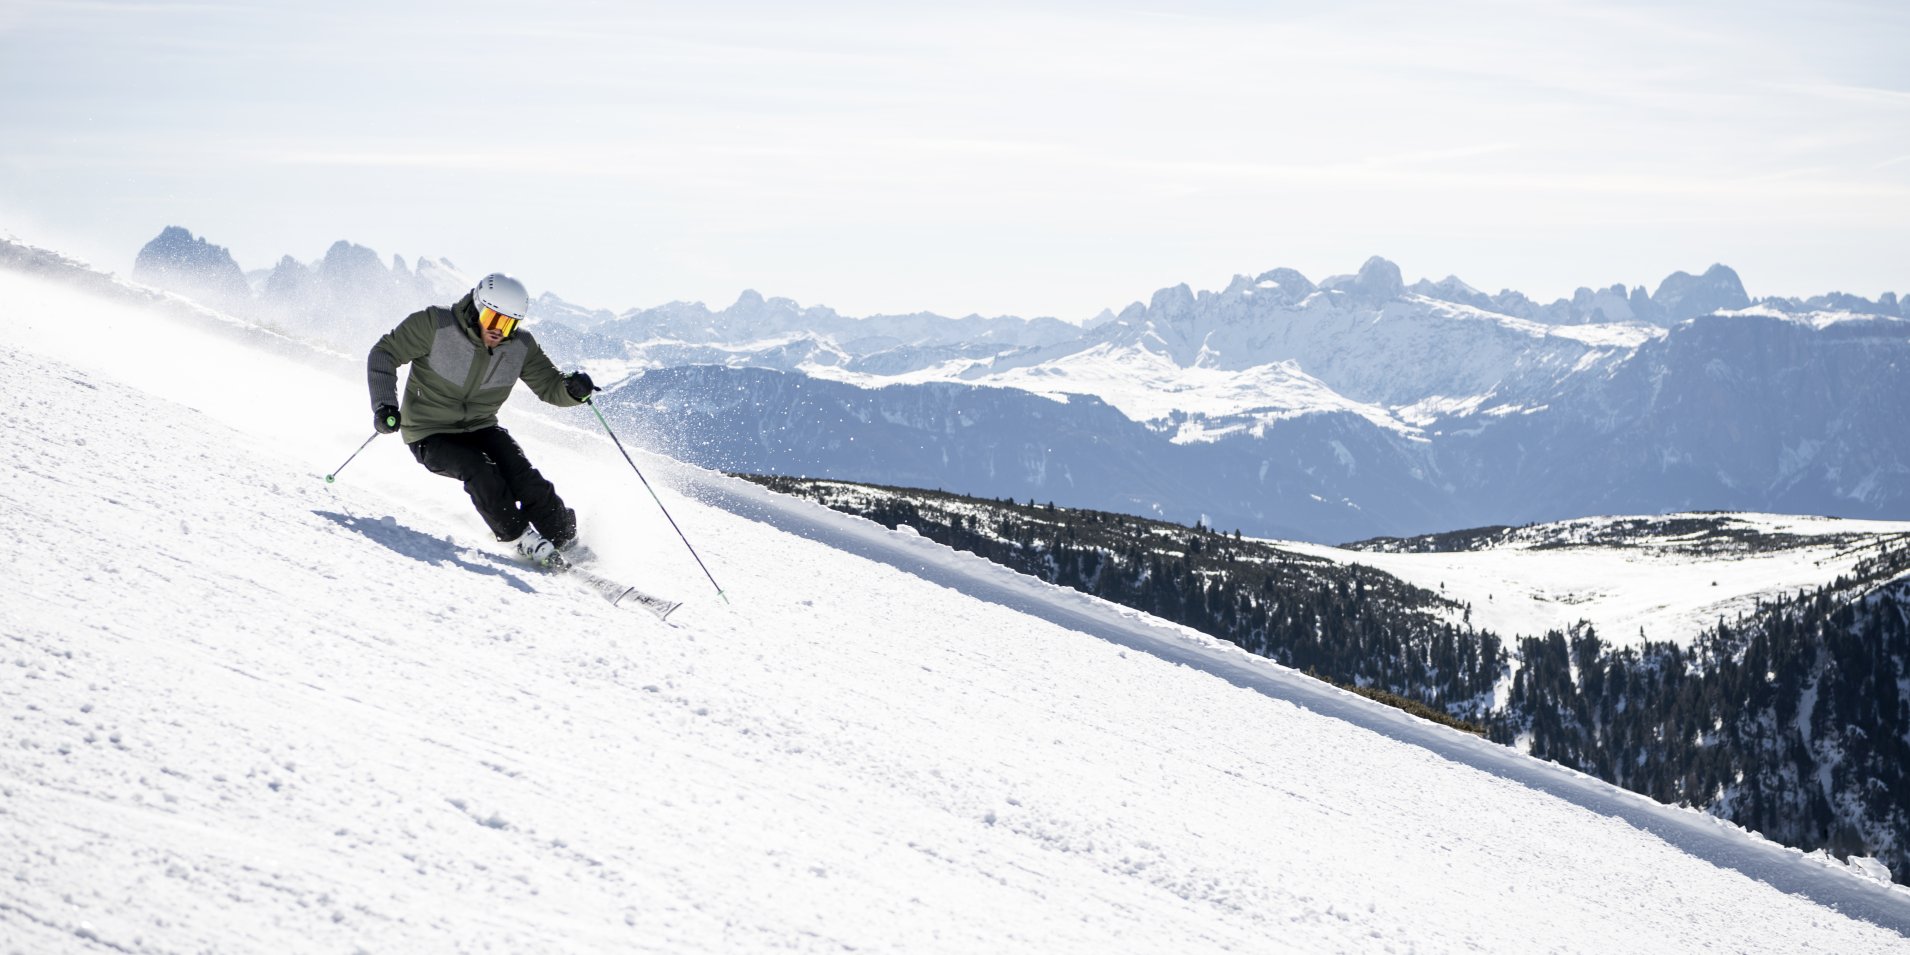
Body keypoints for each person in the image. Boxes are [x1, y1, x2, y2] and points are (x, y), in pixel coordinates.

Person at [366, 272, 598, 564]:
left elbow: (551, 387)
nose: (499, 330)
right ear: (477, 306)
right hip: (429, 431)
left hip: (480, 425)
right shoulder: (435, 325)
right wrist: (385, 405)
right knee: (478, 468)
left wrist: (573, 390)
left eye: (509, 323)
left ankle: (564, 538)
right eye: (493, 318)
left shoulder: (520, 346)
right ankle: (519, 537)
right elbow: (384, 353)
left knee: (522, 474)